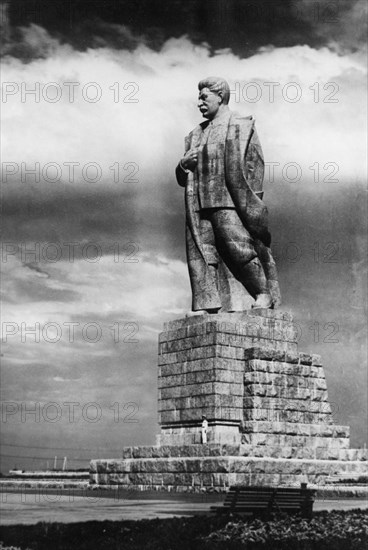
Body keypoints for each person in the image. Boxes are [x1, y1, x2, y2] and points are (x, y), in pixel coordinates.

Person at [176, 77, 281, 312]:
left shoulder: (242, 126)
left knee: (239, 249)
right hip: (198, 203)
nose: (199, 103)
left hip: (228, 200)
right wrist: (183, 164)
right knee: (202, 254)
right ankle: (207, 304)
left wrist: (252, 200)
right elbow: (182, 178)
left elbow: (255, 164)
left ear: (220, 96)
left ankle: (263, 293)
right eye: (199, 98)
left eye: (204, 97)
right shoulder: (194, 135)